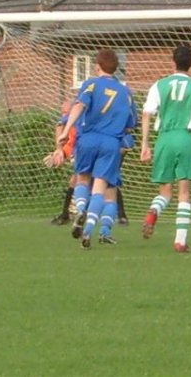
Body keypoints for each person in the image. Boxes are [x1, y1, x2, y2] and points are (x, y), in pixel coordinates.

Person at [139, 45, 191, 253]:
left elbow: (147, 113)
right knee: (184, 192)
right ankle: (180, 241)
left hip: (165, 138)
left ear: (172, 61)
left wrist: (145, 145)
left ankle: (154, 210)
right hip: (187, 138)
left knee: (165, 191)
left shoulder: (159, 85)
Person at [56, 49, 137, 250]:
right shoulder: (126, 93)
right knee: (101, 187)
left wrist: (66, 131)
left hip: (88, 139)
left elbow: (79, 106)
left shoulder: (91, 84)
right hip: (111, 143)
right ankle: (89, 230)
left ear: (97, 66)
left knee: (82, 179)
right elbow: (130, 125)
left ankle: (81, 209)